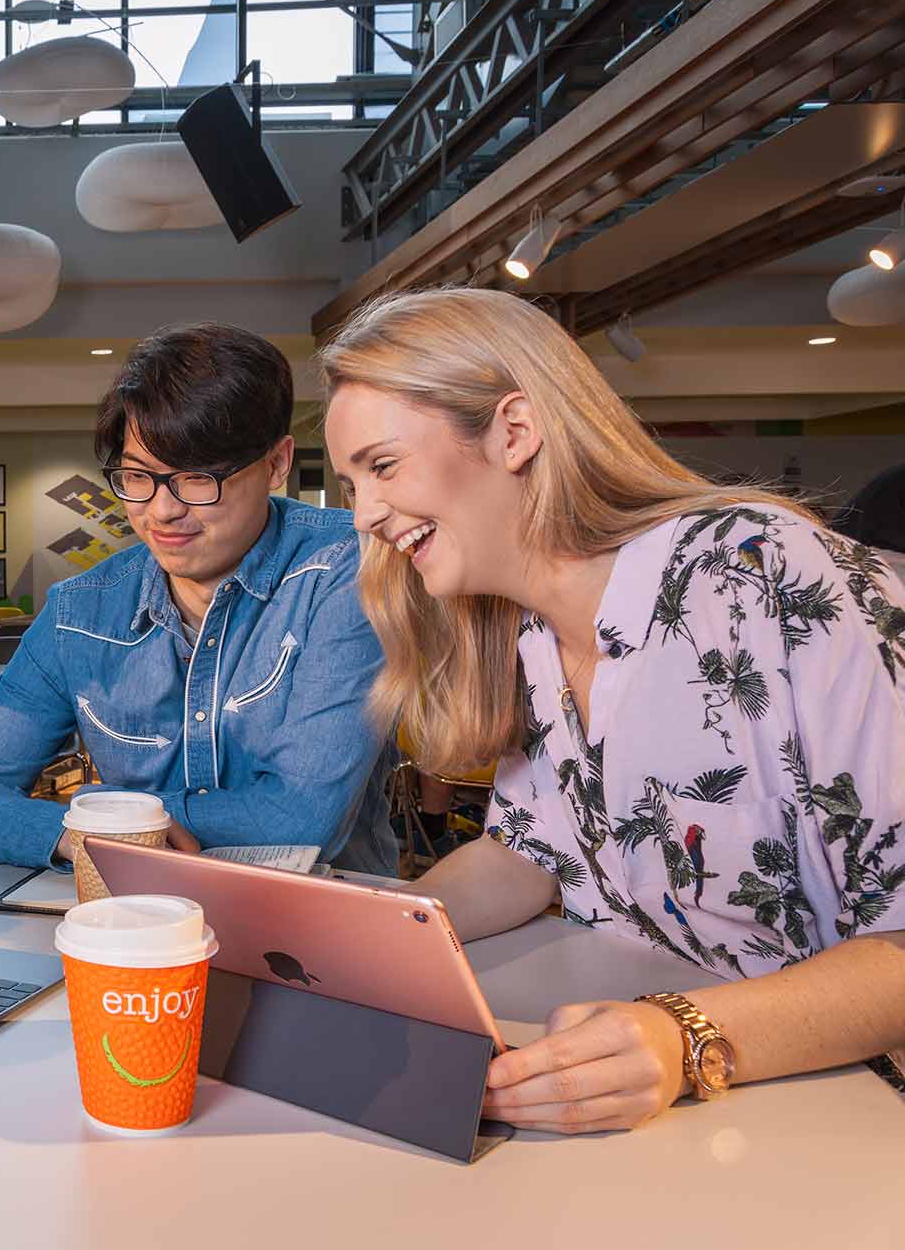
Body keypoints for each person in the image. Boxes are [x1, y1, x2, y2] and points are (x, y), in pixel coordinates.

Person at [320, 287, 905, 1134]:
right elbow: (526, 853)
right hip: (716, 1124)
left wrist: (687, 1036)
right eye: (349, 483)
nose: (366, 516)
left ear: (514, 432)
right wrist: (369, 938)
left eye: (381, 467)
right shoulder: (526, 632)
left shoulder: (757, 573)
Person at [0, 322, 398, 875]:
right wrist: (74, 835)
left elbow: (300, 817)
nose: (163, 511)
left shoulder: (345, 570)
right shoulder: (80, 612)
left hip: (325, 931)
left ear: (276, 463)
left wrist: (115, 824)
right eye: (137, 477)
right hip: (138, 919)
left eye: (197, 479)